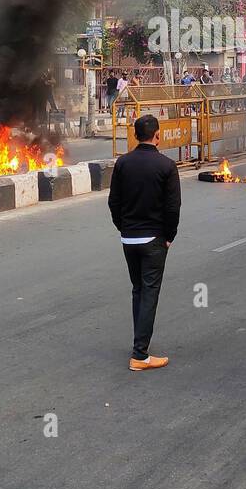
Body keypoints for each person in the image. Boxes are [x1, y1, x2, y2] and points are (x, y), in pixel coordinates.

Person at [107, 113, 181, 371]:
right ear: (158, 136)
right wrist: (169, 236)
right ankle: (140, 354)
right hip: (153, 239)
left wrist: (122, 227)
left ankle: (139, 344)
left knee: (138, 290)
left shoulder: (123, 164)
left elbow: (113, 202)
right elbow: (173, 208)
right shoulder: (166, 166)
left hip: (129, 238)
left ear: (135, 136)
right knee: (149, 291)